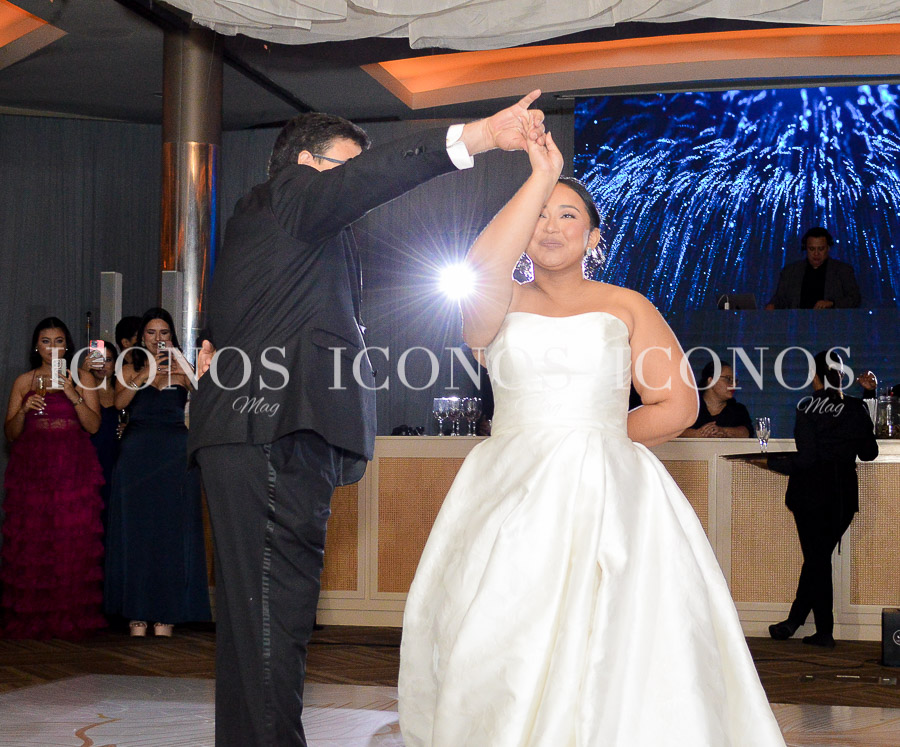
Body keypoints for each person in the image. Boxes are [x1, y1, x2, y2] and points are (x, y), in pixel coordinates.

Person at [398, 133, 785, 744]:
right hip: (508, 487)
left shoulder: (626, 306)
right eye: (539, 214)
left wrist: (594, 436)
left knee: (616, 631)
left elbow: (678, 405)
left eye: (567, 215)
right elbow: (481, 266)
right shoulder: (497, 301)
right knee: (503, 625)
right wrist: (539, 177)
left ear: (593, 238)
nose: (551, 226)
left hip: (607, 489)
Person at [188, 92, 546, 746]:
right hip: (274, 430)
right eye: (345, 168)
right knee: (273, 621)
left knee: (257, 623)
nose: (355, 187)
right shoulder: (289, 196)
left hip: (256, 430)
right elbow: (375, 178)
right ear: (305, 163)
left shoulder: (283, 233)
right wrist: (479, 136)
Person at [104, 308, 210, 638]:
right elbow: (119, 403)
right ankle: (136, 613)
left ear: (172, 337)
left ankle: (168, 612)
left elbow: (206, 398)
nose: (157, 338)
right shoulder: (129, 364)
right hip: (137, 454)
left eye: (164, 333)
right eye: (151, 332)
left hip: (175, 454)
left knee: (171, 532)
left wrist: (183, 368)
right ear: (141, 337)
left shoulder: (181, 364)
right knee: (136, 532)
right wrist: (144, 373)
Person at [765, 350, 878, 648]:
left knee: (816, 560)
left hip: (810, 495)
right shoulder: (855, 407)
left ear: (815, 377)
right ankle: (795, 621)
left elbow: (806, 459)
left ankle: (823, 631)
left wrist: (771, 463)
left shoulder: (808, 407)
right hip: (843, 498)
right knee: (817, 560)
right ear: (840, 376)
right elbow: (869, 453)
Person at [2, 317, 106, 639]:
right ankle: (35, 616)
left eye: (58, 341)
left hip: (73, 472)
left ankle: (71, 614)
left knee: (71, 542)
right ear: (37, 346)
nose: (52, 348)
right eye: (45, 341)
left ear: (67, 345)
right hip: (33, 473)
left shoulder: (82, 377)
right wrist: (23, 410)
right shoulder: (24, 381)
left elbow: (93, 426)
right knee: (34, 542)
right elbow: (10, 434)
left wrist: (73, 394)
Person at [765, 227, 861, 309]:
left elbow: (855, 298)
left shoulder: (842, 270)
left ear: (828, 248)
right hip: (797, 322)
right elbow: (780, 298)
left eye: (821, 249)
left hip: (832, 322)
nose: (816, 253)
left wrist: (832, 303)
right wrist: (772, 306)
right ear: (805, 248)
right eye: (812, 249)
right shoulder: (790, 271)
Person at [82, 340, 120, 537]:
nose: (103, 365)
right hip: (88, 460)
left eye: (108, 360)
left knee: (113, 517)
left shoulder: (122, 392)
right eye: (98, 359)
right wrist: (82, 373)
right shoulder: (81, 390)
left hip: (116, 461)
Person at [680, 360, 753, 437]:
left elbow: (747, 432)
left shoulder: (738, 409)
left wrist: (724, 431)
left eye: (735, 381)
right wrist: (697, 434)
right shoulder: (689, 407)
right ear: (711, 381)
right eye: (728, 379)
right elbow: (673, 430)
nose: (733, 384)